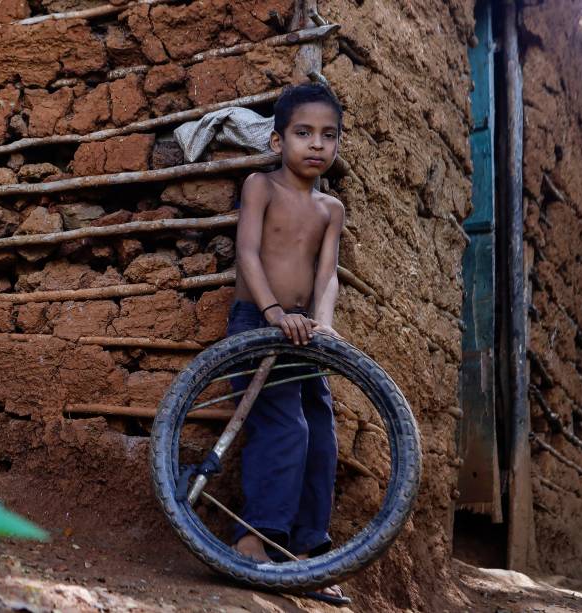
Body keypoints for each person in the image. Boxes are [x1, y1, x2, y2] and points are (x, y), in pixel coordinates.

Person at [226, 83, 349, 605]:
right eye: (303, 133)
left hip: (303, 332)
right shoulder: (261, 186)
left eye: (328, 136)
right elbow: (248, 254)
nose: (315, 145)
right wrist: (273, 313)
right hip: (259, 320)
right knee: (285, 425)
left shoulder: (330, 209)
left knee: (320, 433)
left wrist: (322, 324)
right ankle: (255, 538)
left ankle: (309, 553)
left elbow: (327, 276)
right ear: (278, 141)